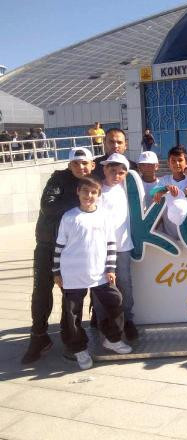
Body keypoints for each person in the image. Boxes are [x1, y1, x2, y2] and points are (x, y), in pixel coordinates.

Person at [21, 147, 96, 364]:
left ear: (92, 165)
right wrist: (81, 200)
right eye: (75, 163)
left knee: (71, 295)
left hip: (72, 249)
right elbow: (48, 206)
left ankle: (69, 337)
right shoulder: (58, 179)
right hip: (47, 245)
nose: (80, 167)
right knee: (41, 291)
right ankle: (38, 336)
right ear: (69, 165)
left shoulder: (93, 183)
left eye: (84, 163)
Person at [52, 175, 132, 369]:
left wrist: (110, 268)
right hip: (72, 274)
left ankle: (112, 339)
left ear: (99, 195)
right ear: (78, 192)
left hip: (99, 273)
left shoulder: (104, 216)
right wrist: (56, 272)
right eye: (85, 191)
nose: (89, 195)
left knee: (116, 301)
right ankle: (79, 348)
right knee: (73, 314)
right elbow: (59, 246)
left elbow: (111, 244)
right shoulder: (69, 217)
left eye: (93, 192)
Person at [98, 153, 138, 341]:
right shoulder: (96, 189)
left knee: (125, 285)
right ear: (105, 169)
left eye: (121, 172)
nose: (116, 175)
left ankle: (128, 321)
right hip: (99, 248)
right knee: (101, 287)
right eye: (112, 171)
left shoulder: (126, 188)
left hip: (122, 246)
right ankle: (103, 323)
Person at [153, 146, 187, 239]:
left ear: (186, 162)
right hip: (168, 234)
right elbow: (152, 192)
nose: (177, 163)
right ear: (168, 163)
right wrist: (165, 189)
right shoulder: (164, 180)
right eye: (173, 161)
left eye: (180, 160)